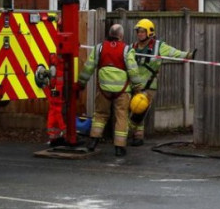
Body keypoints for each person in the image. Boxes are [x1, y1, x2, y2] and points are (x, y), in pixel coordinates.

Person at [78, 24, 143, 157]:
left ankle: (93, 141)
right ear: (121, 35)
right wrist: (137, 88)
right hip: (122, 92)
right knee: (121, 116)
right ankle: (119, 147)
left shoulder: (99, 48)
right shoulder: (127, 50)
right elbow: (133, 70)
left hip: (103, 90)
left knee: (100, 114)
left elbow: (88, 67)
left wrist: (81, 82)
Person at [129, 18, 195, 146]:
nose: (139, 34)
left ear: (149, 32)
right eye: (138, 31)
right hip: (134, 84)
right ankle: (134, 134)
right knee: (133, 109)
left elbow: (174, 53)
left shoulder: (159, 46)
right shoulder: (132, 47)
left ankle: (136, 135)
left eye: (142, 31)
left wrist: (189, 55)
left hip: (149, 85)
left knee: (140, 109)